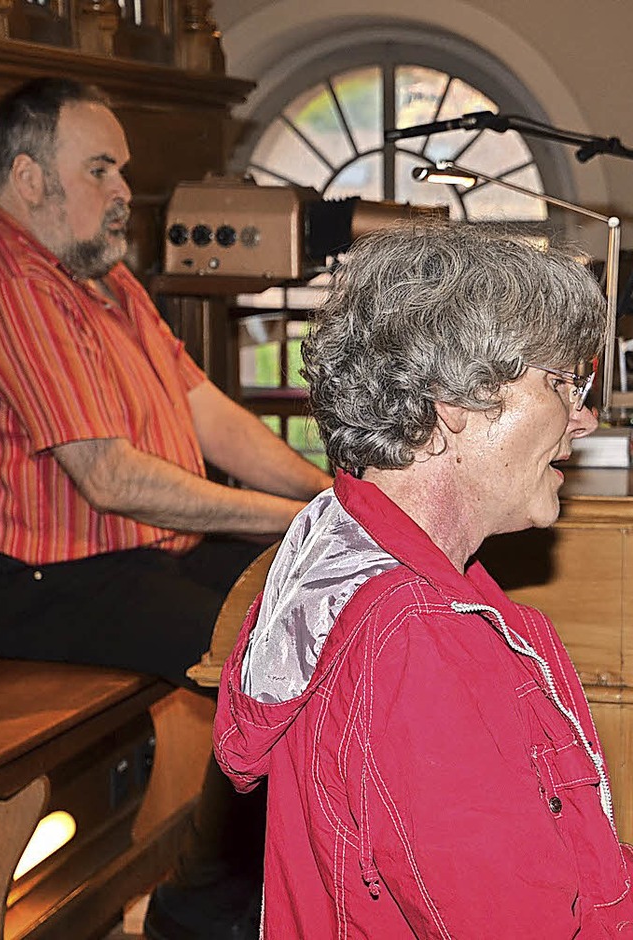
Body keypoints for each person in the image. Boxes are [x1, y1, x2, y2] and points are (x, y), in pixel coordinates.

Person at [213, 221, 633, 938]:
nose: (583, 419)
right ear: (455, 398)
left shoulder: (347, 551)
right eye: (562, 383)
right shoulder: (419, 645)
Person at [0, 77, 331, 940]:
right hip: (42, 579)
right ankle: (208, 913)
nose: (123, 194)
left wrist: (326, 495)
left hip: (137, 557)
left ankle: (243, 896)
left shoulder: (103, 281)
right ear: (31, 180)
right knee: (271, 671)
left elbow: (206, 410)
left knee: (322, 612)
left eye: (123, 170)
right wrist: (279, 518)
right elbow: (105, 477)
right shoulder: (9, 275)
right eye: (101, 169)